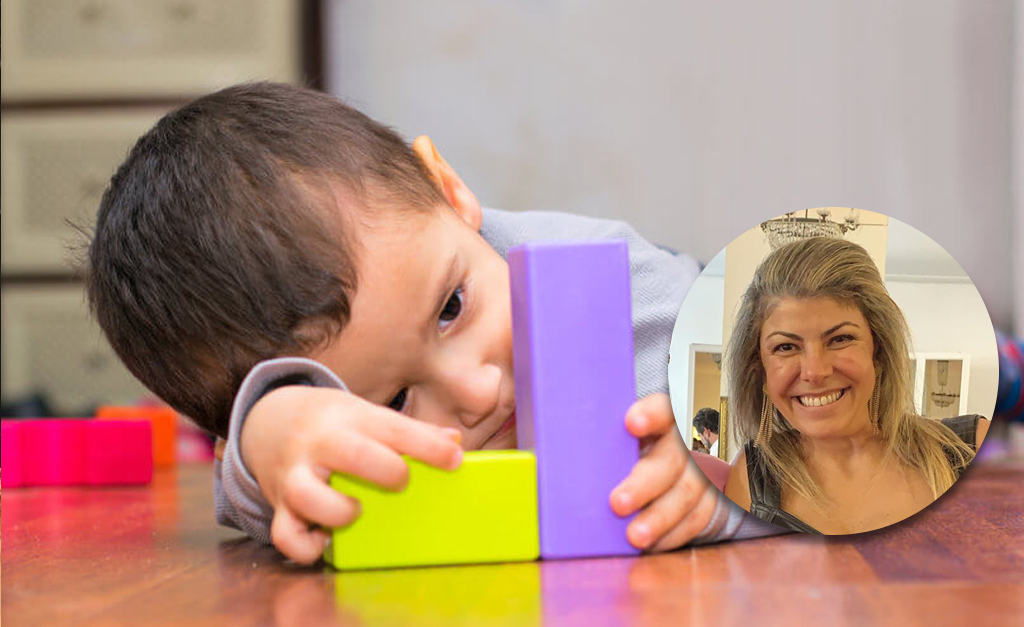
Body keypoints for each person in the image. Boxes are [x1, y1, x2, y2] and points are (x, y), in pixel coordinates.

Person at [86, 82, 780, 564]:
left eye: (451, 308)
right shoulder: (316, 428)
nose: (478, 392)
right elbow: (264, 497)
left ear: (447, 190)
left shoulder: (633, 292)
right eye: (394, 401)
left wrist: (731, 486)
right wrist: (268, 434)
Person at [723, 237, 990, 534]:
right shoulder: (751, 481)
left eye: (840, 339)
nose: (815, 372)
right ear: (759, 369)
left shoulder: (970, 449)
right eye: (786, 347)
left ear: (878, 353)